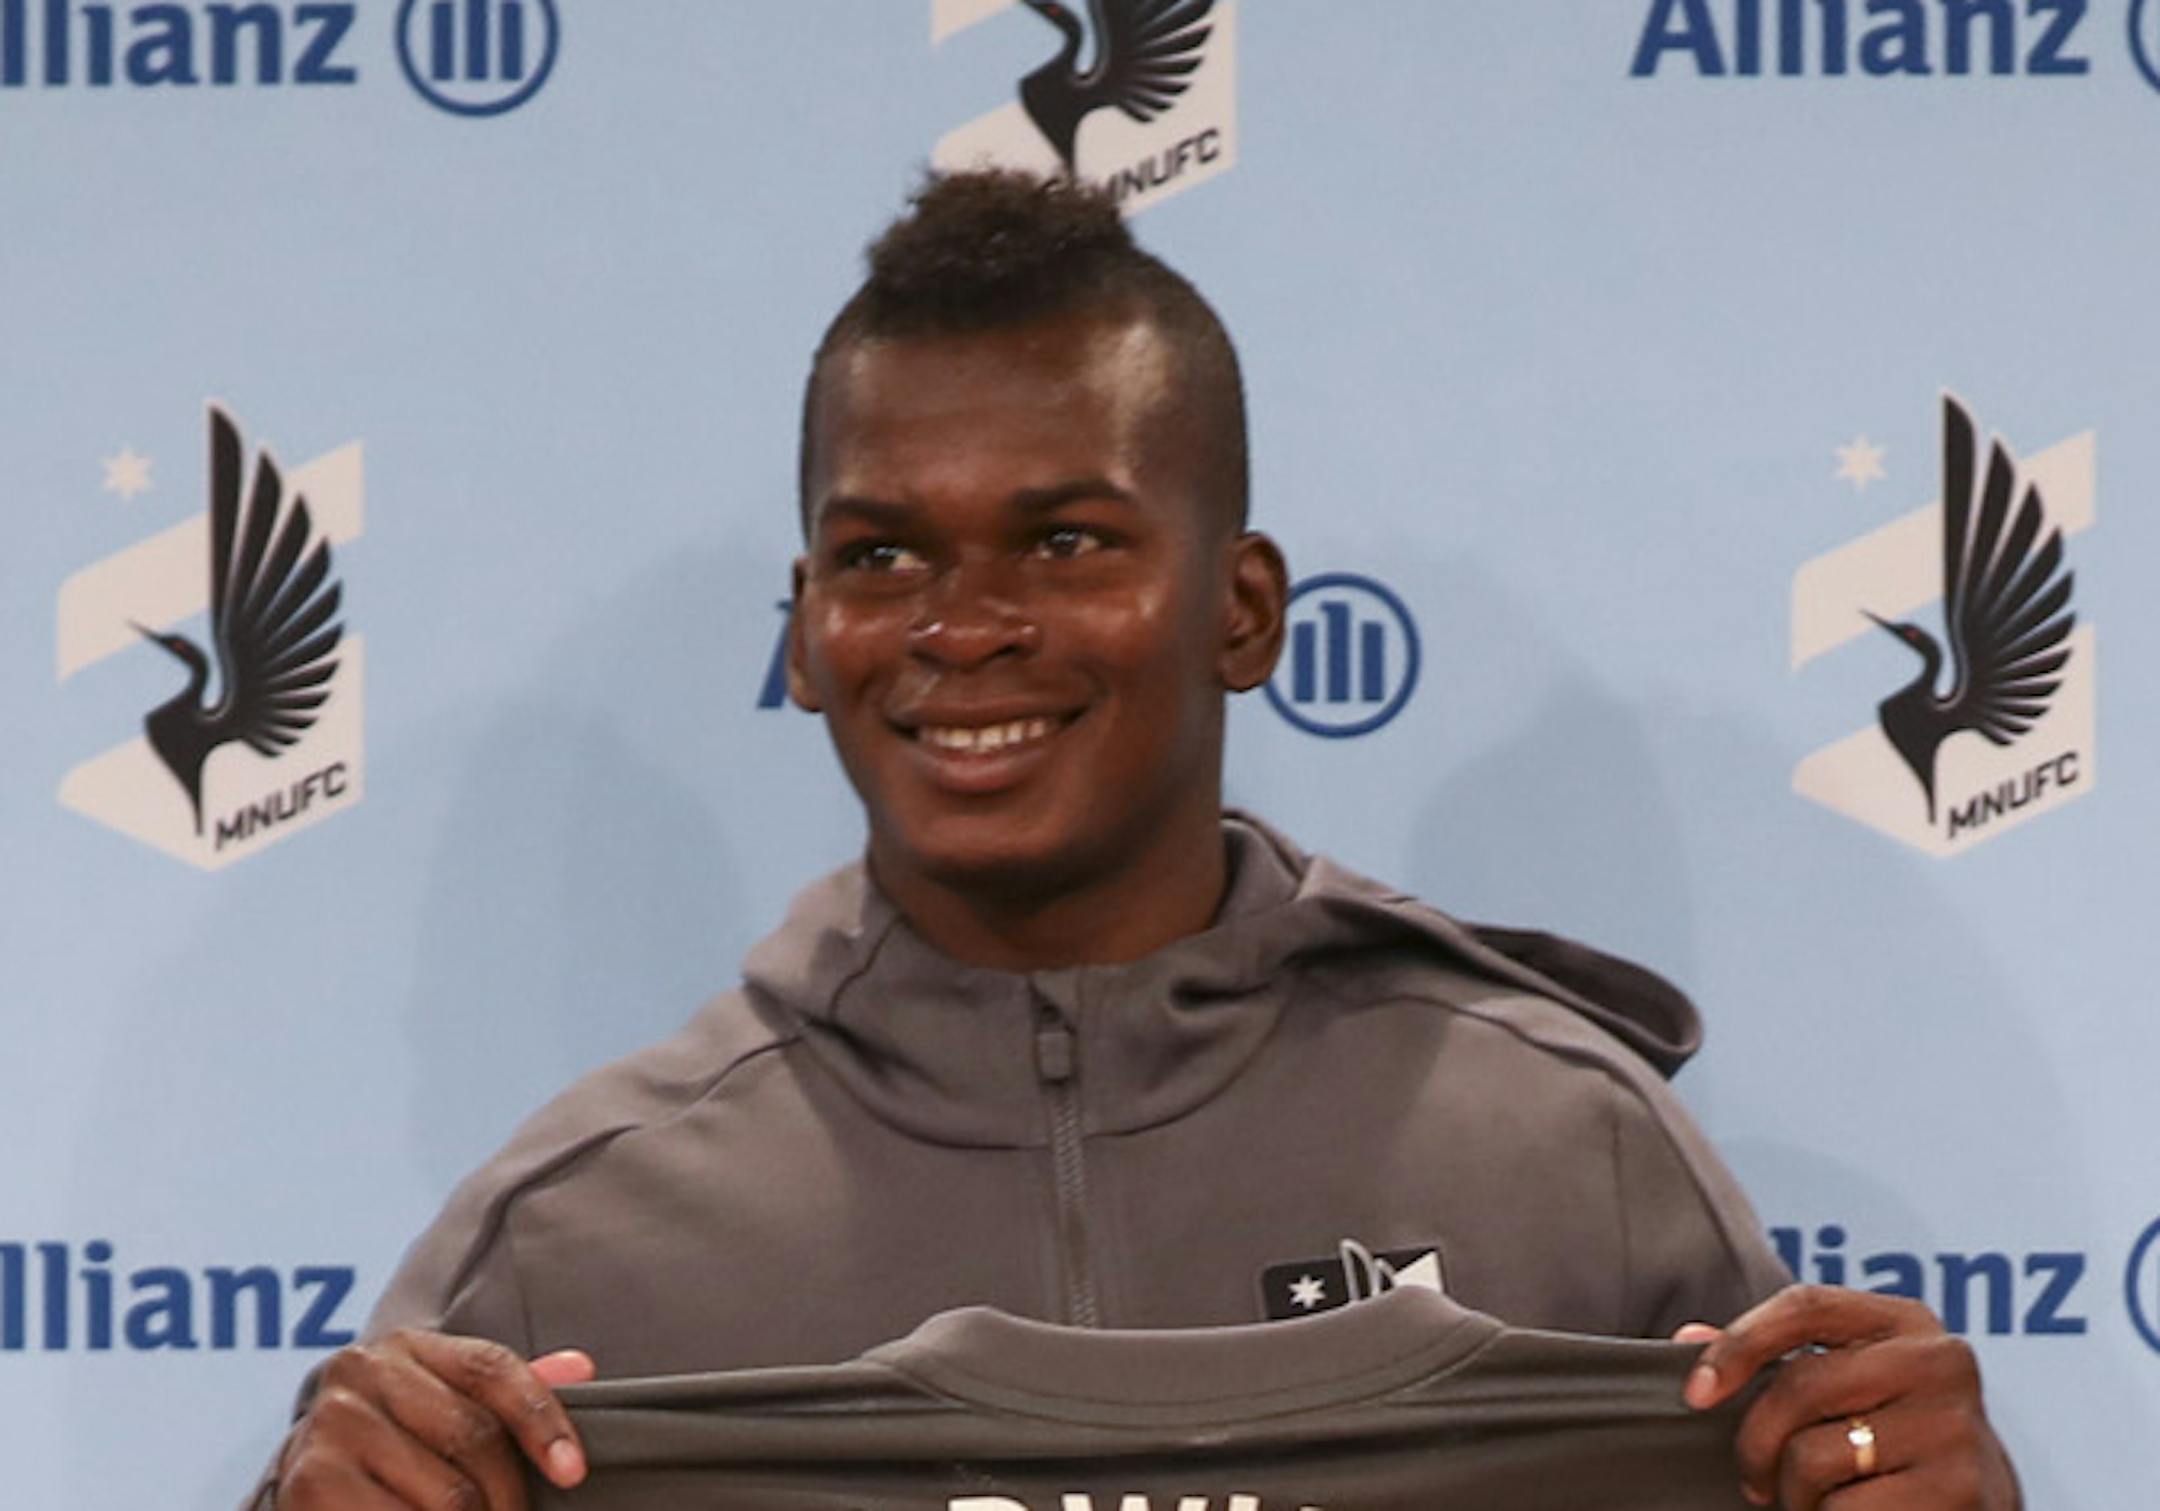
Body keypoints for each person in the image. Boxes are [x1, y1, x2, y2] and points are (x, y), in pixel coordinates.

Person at [258, 171, 2019, 1511]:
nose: (963, 625)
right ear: (801, 634)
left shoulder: (1563, 1149)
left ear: (1244, 610)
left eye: (1069, 542)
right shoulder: (586, 1234)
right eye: (880, 558)